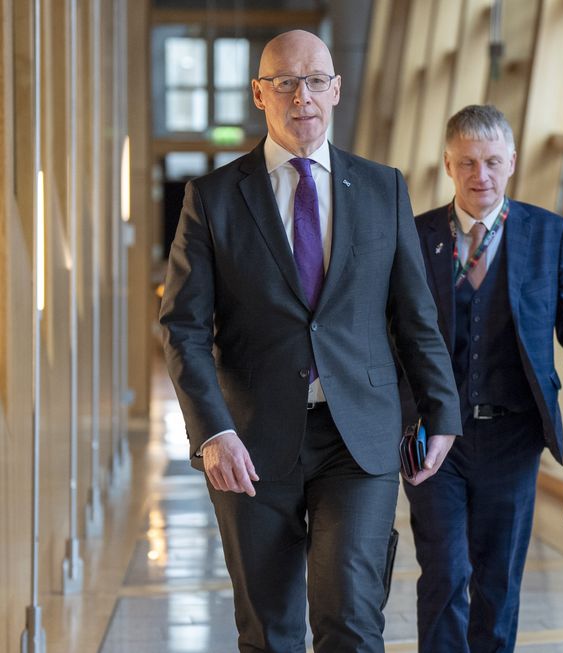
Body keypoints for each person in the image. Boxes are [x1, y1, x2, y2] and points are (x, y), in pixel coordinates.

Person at [158, 30, 462, 653]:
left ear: (337, 89)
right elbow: (183, 329)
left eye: (316, 80)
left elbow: (415, 314)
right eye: (286, 83)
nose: (304, 97)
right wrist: (213, 433)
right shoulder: (213, 198)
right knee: (269, 631)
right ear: (259, 94)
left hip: (359, 437)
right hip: (250, 444)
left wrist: (443, 410)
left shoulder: (384, 188)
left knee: (351, 619)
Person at [401, 104, 563, 653]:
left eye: (492, 161)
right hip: (432, 435)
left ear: (512, 162)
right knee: (444, 571)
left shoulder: (549, 235)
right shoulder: (415, 236)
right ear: (447, 163)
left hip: (512, 438)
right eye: (467, 162)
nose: (480, 176)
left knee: (497, 581)